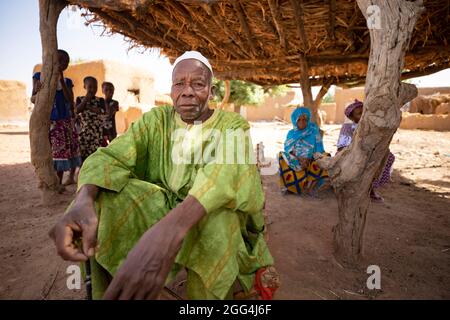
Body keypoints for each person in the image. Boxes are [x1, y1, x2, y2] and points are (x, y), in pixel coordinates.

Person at [49, 51, 275, 300]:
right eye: (180, 83)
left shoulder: (232, 125)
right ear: (171, 90)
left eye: (198, 84)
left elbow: (225, 175)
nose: (187, 91)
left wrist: (169, 230)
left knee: (219, 219)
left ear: (211, 92)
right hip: (164, 204)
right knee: (97, 201)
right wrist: (83, 198)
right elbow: (110, 156)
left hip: (206, 213)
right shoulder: (156, 120)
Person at [31, 49, 81, 186]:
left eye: (66, 61)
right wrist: (37, 88)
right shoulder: (39, 76)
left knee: (61, 154)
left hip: (64, 122)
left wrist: (61, 80)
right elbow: (33, 98)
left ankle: (58, 182)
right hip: (49, 122)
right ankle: (46, 180)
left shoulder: (67, 81)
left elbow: (70, 100)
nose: (63, 63)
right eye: (60, 60)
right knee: (49, 152)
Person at [336, 99, 396, 203]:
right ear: (352, 117)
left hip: (369, 153)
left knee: (388, 156)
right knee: (361, 162)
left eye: (364, 112)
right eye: (359, 113)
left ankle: (370, 188)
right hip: (351, 154)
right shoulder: (348, 127)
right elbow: (342, 147)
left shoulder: (371, 126)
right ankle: (352, 189)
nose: (363, 115)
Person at [279, 107, 329, 196]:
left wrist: (309, 158)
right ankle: (292, 187)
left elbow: (319, 149)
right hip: (296, 159)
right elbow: (288, 149)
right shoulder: (291, 133)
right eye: (299, 120)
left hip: (311, 159)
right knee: (281, 156)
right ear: (295, 121)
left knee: (325, 156)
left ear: (308, 120)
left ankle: (311, 188)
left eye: (304, 119)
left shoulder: (313, 131)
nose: (302, 122)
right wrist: (299, 158)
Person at [75, 77, 109, 161]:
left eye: (95, 87)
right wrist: (86, 100)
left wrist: (87, 106)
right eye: (90, 87)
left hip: (96, 135)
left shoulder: (100, 100)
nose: (93, 89)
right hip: (83, 135)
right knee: (83, 160)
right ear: (84, 87)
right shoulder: (80, 99)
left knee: (96, 159)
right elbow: (77, 110)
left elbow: (103, 112)